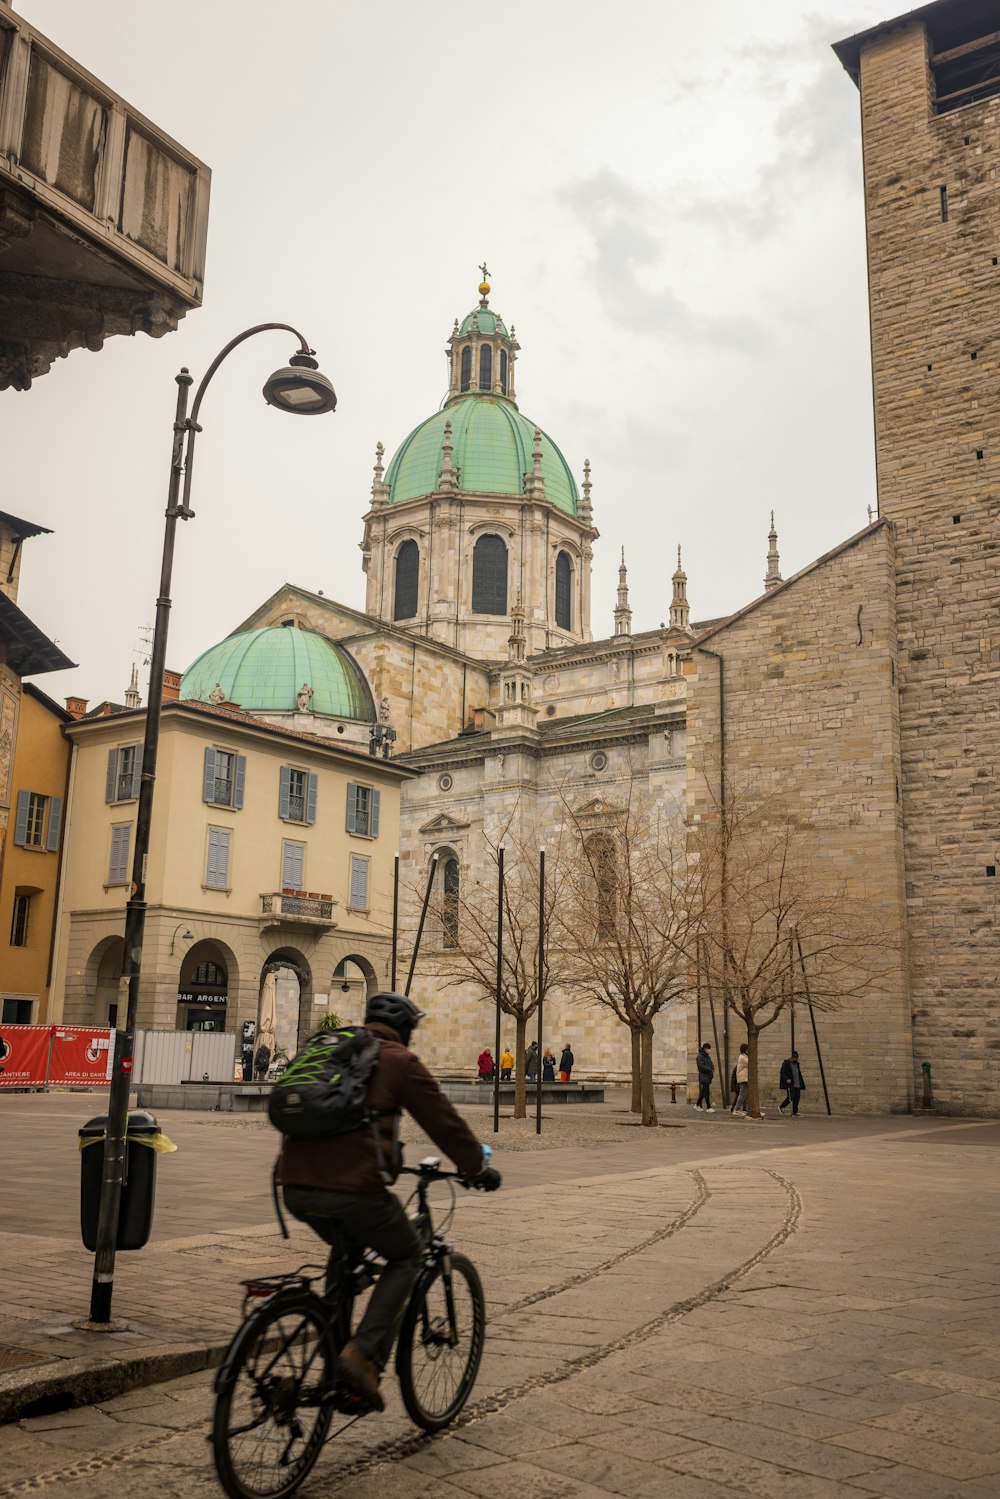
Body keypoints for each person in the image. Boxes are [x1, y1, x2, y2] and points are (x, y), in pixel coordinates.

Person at [278, 991, 501, 1414]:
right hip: (353, 1190)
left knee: (345, 1259)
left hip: (293, 1186)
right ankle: (360, 1357)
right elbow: (445, 1123)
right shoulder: (398, 1060)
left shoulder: (337, 1051)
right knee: (408, 1256)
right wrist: (477, 1169)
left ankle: (334, 1370)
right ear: (407, 1030)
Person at [779, 1051, 806, 1115]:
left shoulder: (797, 1064)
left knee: (797, 1098)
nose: (796, 1059)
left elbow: (798, 1073)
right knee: (791, 1097)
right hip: (791, 1084)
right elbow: (782, 1072)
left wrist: (801, 1082)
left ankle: (795, 1112)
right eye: (795, 1058)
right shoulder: (786, 1063)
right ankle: (781, 1106)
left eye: (797, 1058)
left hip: (797, 1083)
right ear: (792, 1058)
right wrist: (787, 1079)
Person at [694, 1042, 715, 1111]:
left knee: (703, 1092)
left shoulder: (707, 1056)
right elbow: (701, 1066)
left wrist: (712, 1068)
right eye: (708, 1049)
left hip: (708, 1076)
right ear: (705, 1048)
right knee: (706, 1092)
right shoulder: (699, 1057)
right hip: (703, 1076)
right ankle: (708, 1107)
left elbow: (711, 1064)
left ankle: (697, 1105)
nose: (709, 1050)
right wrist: (709, 1069)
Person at [733, 1043, 749, 1115]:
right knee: (742, 1094)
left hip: (745, 1078)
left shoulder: (744, 1056)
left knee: (745, 1095)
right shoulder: (743, 1057)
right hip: (743, 1078)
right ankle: (737, 1110)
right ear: (745, 1050)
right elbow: (750, 1063)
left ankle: (741, 1109)